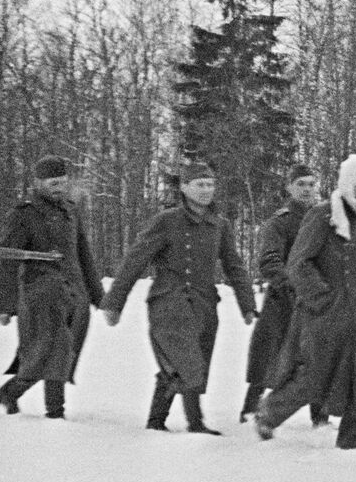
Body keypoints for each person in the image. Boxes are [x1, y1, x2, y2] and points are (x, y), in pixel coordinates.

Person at [101, 163, 257, 435]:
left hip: (204, 304)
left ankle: (155, 420)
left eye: (210, 184)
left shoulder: (219, 226)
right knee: (187, 360)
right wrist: (115, 302)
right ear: (184, 188)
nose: (206, 190)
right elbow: (136, 259)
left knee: (183, 364)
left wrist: (247, 303)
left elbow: (234, 266)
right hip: (168, 302)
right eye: (199, 184)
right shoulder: (167, 221)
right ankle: (195, 423)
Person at [255, 155, 356, 449]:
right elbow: (298, 263)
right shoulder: (323, 214)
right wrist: (323, 298)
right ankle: (269, 412)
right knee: (316, 376)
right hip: (327, 314)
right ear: (349, 179)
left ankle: (352, 436)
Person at [0, 155, 104, 419]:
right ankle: (54, 411)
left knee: (61, 351)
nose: (59, 187)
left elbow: (83, 254)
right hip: (40, 294)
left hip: (73, 294)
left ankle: (13, 393)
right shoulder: (24, 214)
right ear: (39, 182)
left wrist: (98, 296)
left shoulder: (71, 210)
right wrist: (4, 305)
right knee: (50, 349)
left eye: (63, 182)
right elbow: (7, 258)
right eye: (53, 182)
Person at [241, 163, 323, 424]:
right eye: (301, 184)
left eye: (311, 184)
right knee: (268, 358)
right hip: (283, 300)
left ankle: (319, 416)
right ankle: (250, 410)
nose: (307, 189)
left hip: (314, 302)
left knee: (317, 356)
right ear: (289, 187)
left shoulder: (324, 218)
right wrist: (293, 283)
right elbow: (269, 261)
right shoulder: (280, 222)